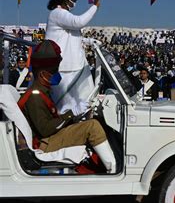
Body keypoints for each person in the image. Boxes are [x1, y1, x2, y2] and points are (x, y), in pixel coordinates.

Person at [17, 40, 116, 173]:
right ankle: (113, 170)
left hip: (49, 137)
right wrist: (72, 113)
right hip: (44, 143)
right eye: (53, 71)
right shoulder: (35, 96)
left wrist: (74, 116)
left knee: (93, 122)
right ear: (42, 75)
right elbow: (45, 129)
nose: (56, 74)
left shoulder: (41, 92)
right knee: (93, 127)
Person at [45, 0, 102, 115]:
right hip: (65, 69)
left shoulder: (63, 15)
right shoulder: (57, 13)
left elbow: (72, 36)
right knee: (66, 106)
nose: (74, 2)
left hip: (74, 66)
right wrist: (95, 6)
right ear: (66, 0)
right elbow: (79, 22)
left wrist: (89, 41)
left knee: (86, 101)